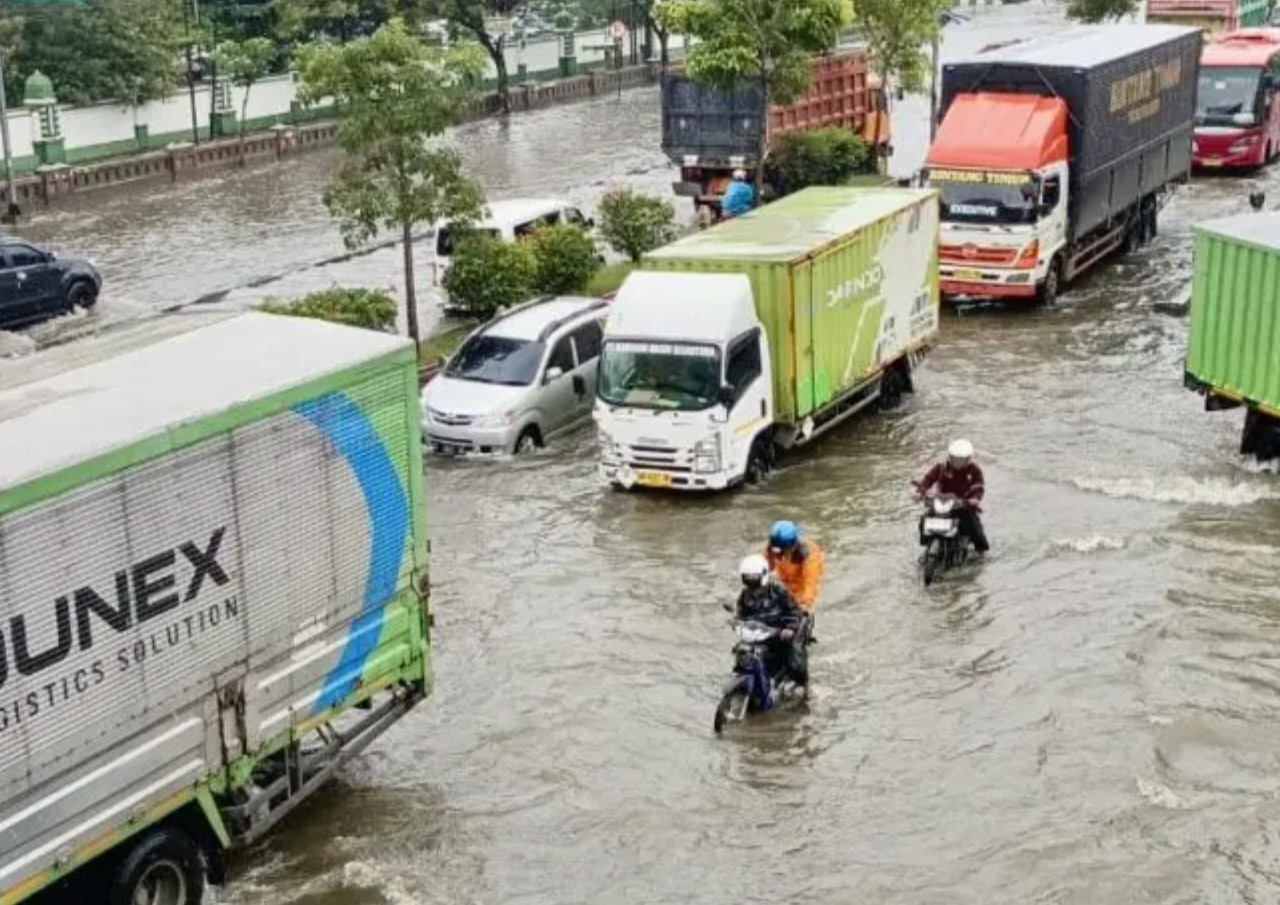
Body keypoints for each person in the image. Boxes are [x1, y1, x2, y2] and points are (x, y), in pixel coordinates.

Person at [734, 554, 809, 689]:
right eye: (747, 578)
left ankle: (805, 689)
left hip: (780, 634)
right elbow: (741, 615)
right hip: (758, 635)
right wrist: (736, 622)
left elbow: (793, 610)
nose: (751, 581)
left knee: (796, 662)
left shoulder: (778, 589)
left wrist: (790, 628)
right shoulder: (744, 595)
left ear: (763, 575)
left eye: (754, 578)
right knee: (740, 653)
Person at [911, 439, 990, 554]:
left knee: (975, 529)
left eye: (962, 459)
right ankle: (927, 543)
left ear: (968, 459)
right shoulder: (941, 467)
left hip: (963, 505)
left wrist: (975, 499)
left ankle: (981, 553)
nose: (958, 462)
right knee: (925, 519)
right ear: (950, 457)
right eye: (955, 459)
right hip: (942, 503)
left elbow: (978, 487)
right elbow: (928, 479)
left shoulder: (974, 470)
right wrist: (920, 492)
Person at [764, 520, 826, 614]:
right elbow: (765, 567)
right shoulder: (773, 548)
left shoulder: (809, 557)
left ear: (792, 547)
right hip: (785, 582)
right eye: (775, 551)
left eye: (781, 552)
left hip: (802, 587)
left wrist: (804, 606)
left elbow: (810, 585)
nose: (777, 555)